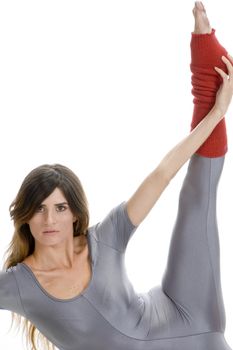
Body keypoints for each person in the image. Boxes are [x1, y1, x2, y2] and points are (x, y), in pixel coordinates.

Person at [0, 2, 233, 350]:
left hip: (186, 314)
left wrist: (217, 112)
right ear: (24, 217)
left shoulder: (104, 238)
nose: (50, 219)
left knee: (199, 194)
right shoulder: (20, 285)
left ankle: (205, 74)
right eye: (39, 208)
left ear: (75, 212)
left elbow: (162, 174)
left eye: (60, 207)